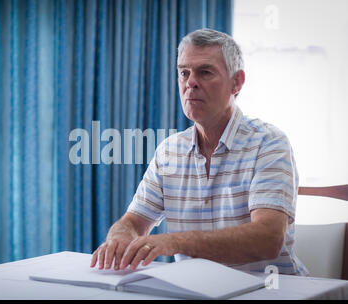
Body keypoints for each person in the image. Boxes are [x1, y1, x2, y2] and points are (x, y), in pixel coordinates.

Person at [90, 28, 308, 276]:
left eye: (205, 72)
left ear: (236, 82)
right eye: (184, 73)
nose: (190, 82)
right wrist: (120, 236)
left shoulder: (269, 143)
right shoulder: (168, 152)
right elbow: (133, 222)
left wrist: (175, 242)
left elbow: (267, 239)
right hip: (196, 290)